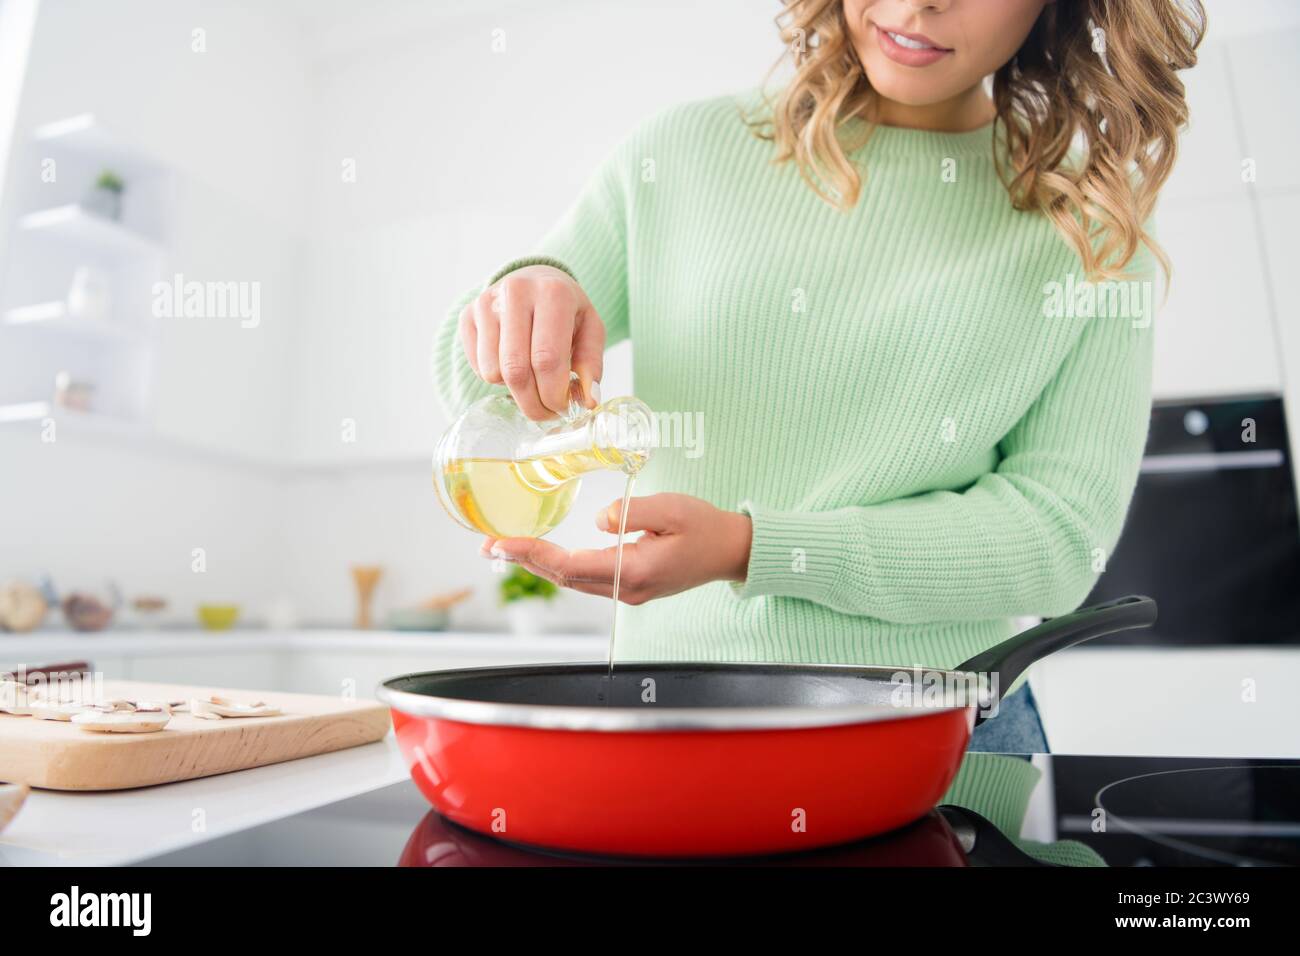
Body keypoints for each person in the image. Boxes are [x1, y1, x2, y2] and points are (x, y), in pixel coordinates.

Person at [432, 0, 1206, 752]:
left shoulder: (1096, 222)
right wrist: (528, 289)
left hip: (938, 748)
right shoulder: (683, 152)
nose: (919, 6)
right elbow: (473, 393)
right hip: (670, 730)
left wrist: (754, 547)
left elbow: (1059, 541)